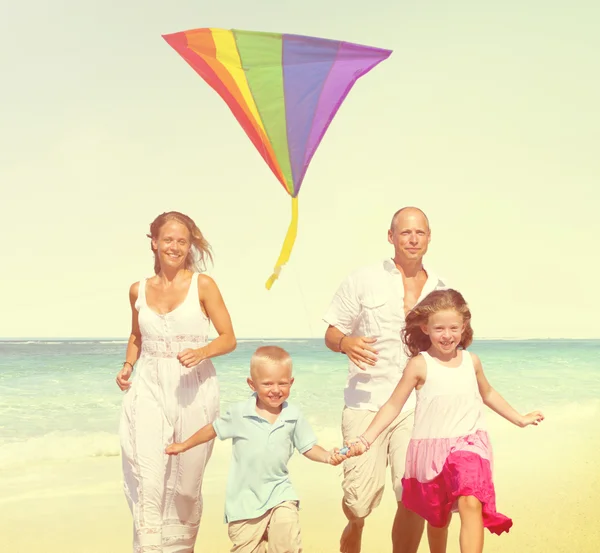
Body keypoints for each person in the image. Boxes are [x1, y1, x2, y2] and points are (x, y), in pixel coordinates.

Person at [346, 289, 544, 553]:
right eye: (439, 328)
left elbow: (488, 393)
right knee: (438, 519)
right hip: (430, 451)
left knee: (471, 498)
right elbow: (394, 404)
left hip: (470, 443)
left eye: (454, 328)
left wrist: (519, 418)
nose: (447, 335)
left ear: (464, 327)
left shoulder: (471, 362)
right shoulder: (419, 364)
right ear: (425, 328)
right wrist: (365, 438)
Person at [323, 207, 447, 553]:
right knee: (359, 501)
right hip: (366, 402)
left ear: (429, 237)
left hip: (416, 407)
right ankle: (355, 524)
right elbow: (331, 334)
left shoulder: (441, 289)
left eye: (419, 232)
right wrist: (346, 343)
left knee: (412, 492)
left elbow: (451, 345)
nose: (412, 239)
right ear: (391, 237)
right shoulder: (363, 279)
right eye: (405, 232)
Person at [116, 211, 237, 553]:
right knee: (149, 481)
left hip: (194, 390)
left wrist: (202, 351)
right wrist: (128, 365)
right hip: (149, 388)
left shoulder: (204, 285)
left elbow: (228, 338)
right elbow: (136, 335)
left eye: (182, 241)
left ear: (189, 246)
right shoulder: (137, 290)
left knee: (185, 489)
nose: (174, 247)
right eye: (167, 240)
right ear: (154, 243)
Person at [166, 345, 349, 553]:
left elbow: (308, 447)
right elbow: (212, 430)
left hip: (280, 493)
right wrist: (184, 445)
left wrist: (327, 456)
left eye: (282, 383)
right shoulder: (239, 413)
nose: (276, 389)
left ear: (291, 383)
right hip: (243, 503)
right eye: (268, 383)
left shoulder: (293, 416)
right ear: (252, 384)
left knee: (287, 543)